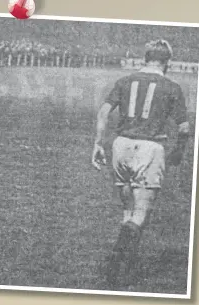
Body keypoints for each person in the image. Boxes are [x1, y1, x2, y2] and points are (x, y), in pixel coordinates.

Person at [91, 39, 190, 286]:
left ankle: (124, 267)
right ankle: (116, 262)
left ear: (145, 58)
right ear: (167, 62)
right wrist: (178, 151)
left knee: (128, 210)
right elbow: (185, 128)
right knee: (142, 213)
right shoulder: (172, 86)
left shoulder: (125, 81)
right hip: (149, 148)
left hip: (120, 146)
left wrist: (98, 144)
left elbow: (103, 112)